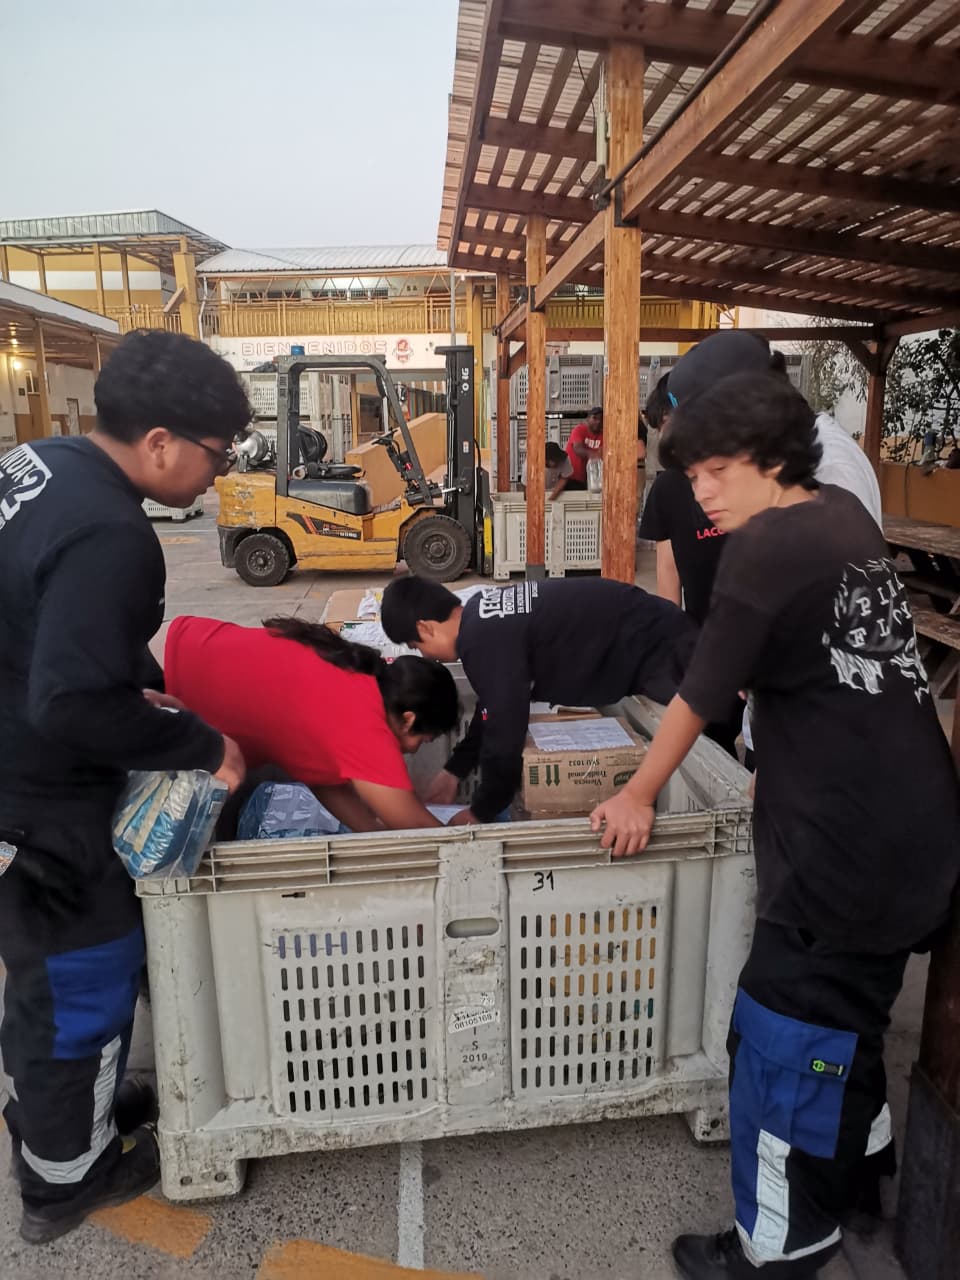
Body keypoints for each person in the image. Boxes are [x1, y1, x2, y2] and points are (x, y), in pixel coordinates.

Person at [591, 372, 960, 1280]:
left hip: (843, 859)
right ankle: (862, 1173)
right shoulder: (841, 515)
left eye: (715, 471)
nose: (701, 492)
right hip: (917, 833)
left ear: (771, 460)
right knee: (851, 1024)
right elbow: (824, 676)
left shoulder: (765, 549)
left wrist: (637, 793)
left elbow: (700, 694)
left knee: (782, 1037)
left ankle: (781, 1245)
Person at [0, 330, 251, 1244]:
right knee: (78, 982)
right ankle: (67, 1178)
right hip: (36, 796)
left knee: (36, 977)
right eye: (216, 456)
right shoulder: (113, 530)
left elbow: (45, 620)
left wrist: (127, 675)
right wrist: (196, 739)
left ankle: (58, 1125)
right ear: (159, 442)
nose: (218, 477)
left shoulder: (40, 463)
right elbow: (70, 702)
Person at [380, 575, 698, 824]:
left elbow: (505, 732)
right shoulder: (482, 615)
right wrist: (455, 769)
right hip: (653, 633)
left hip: (661, 649)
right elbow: (493, 705)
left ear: (425, 627)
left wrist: (481, 812)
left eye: (415, 644)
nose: (423, 654)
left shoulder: (481, 641)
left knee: (709, 732)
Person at [164, 615, 460, 832]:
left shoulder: (355, 674)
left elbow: (325, 779)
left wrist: (372, 832)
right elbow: (413, 825)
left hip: (181, 644)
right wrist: (473, 844)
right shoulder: (364, 721)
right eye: (423, 740)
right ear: (409, 720)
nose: (414, 750)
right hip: (164, 686)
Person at [564, 405, 603, 490]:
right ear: (588, 419)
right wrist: (594, 454)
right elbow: (577, 449)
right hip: (570, 477)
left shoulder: (603, 435)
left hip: (587, 479)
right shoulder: (579, 429)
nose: (598, 422)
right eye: (595, 418)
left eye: (601, 419)